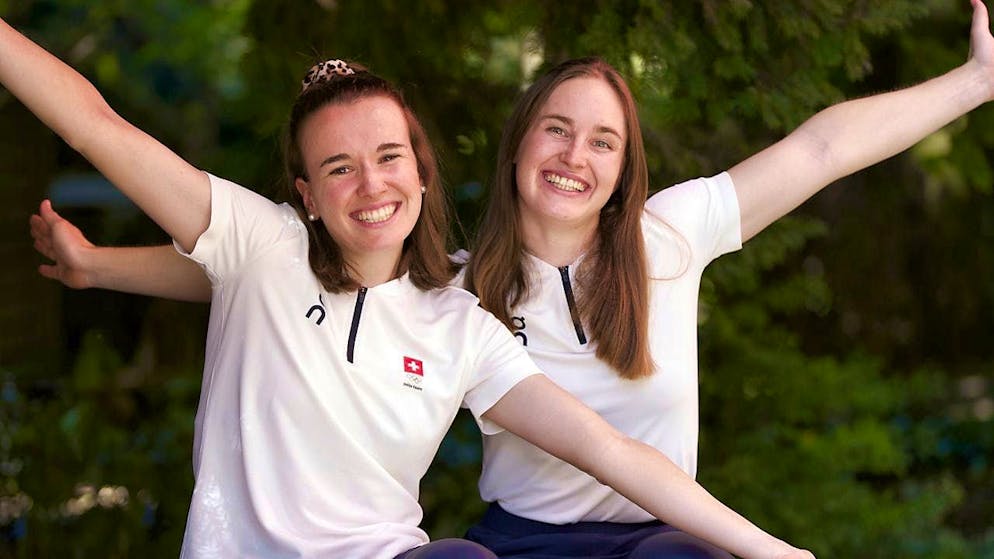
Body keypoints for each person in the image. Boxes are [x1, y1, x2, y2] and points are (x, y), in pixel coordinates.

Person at [25, 1, 994, 557]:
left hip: (652, 534)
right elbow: (263, 278)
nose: (576, 155)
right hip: (520, 540)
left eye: (603, 140)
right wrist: (101, 266)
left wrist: (973, 81)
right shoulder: (456, 285)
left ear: (624, 170)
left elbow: (821, 144)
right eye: (556, 129)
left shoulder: (669, 237)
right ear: (517, 144)